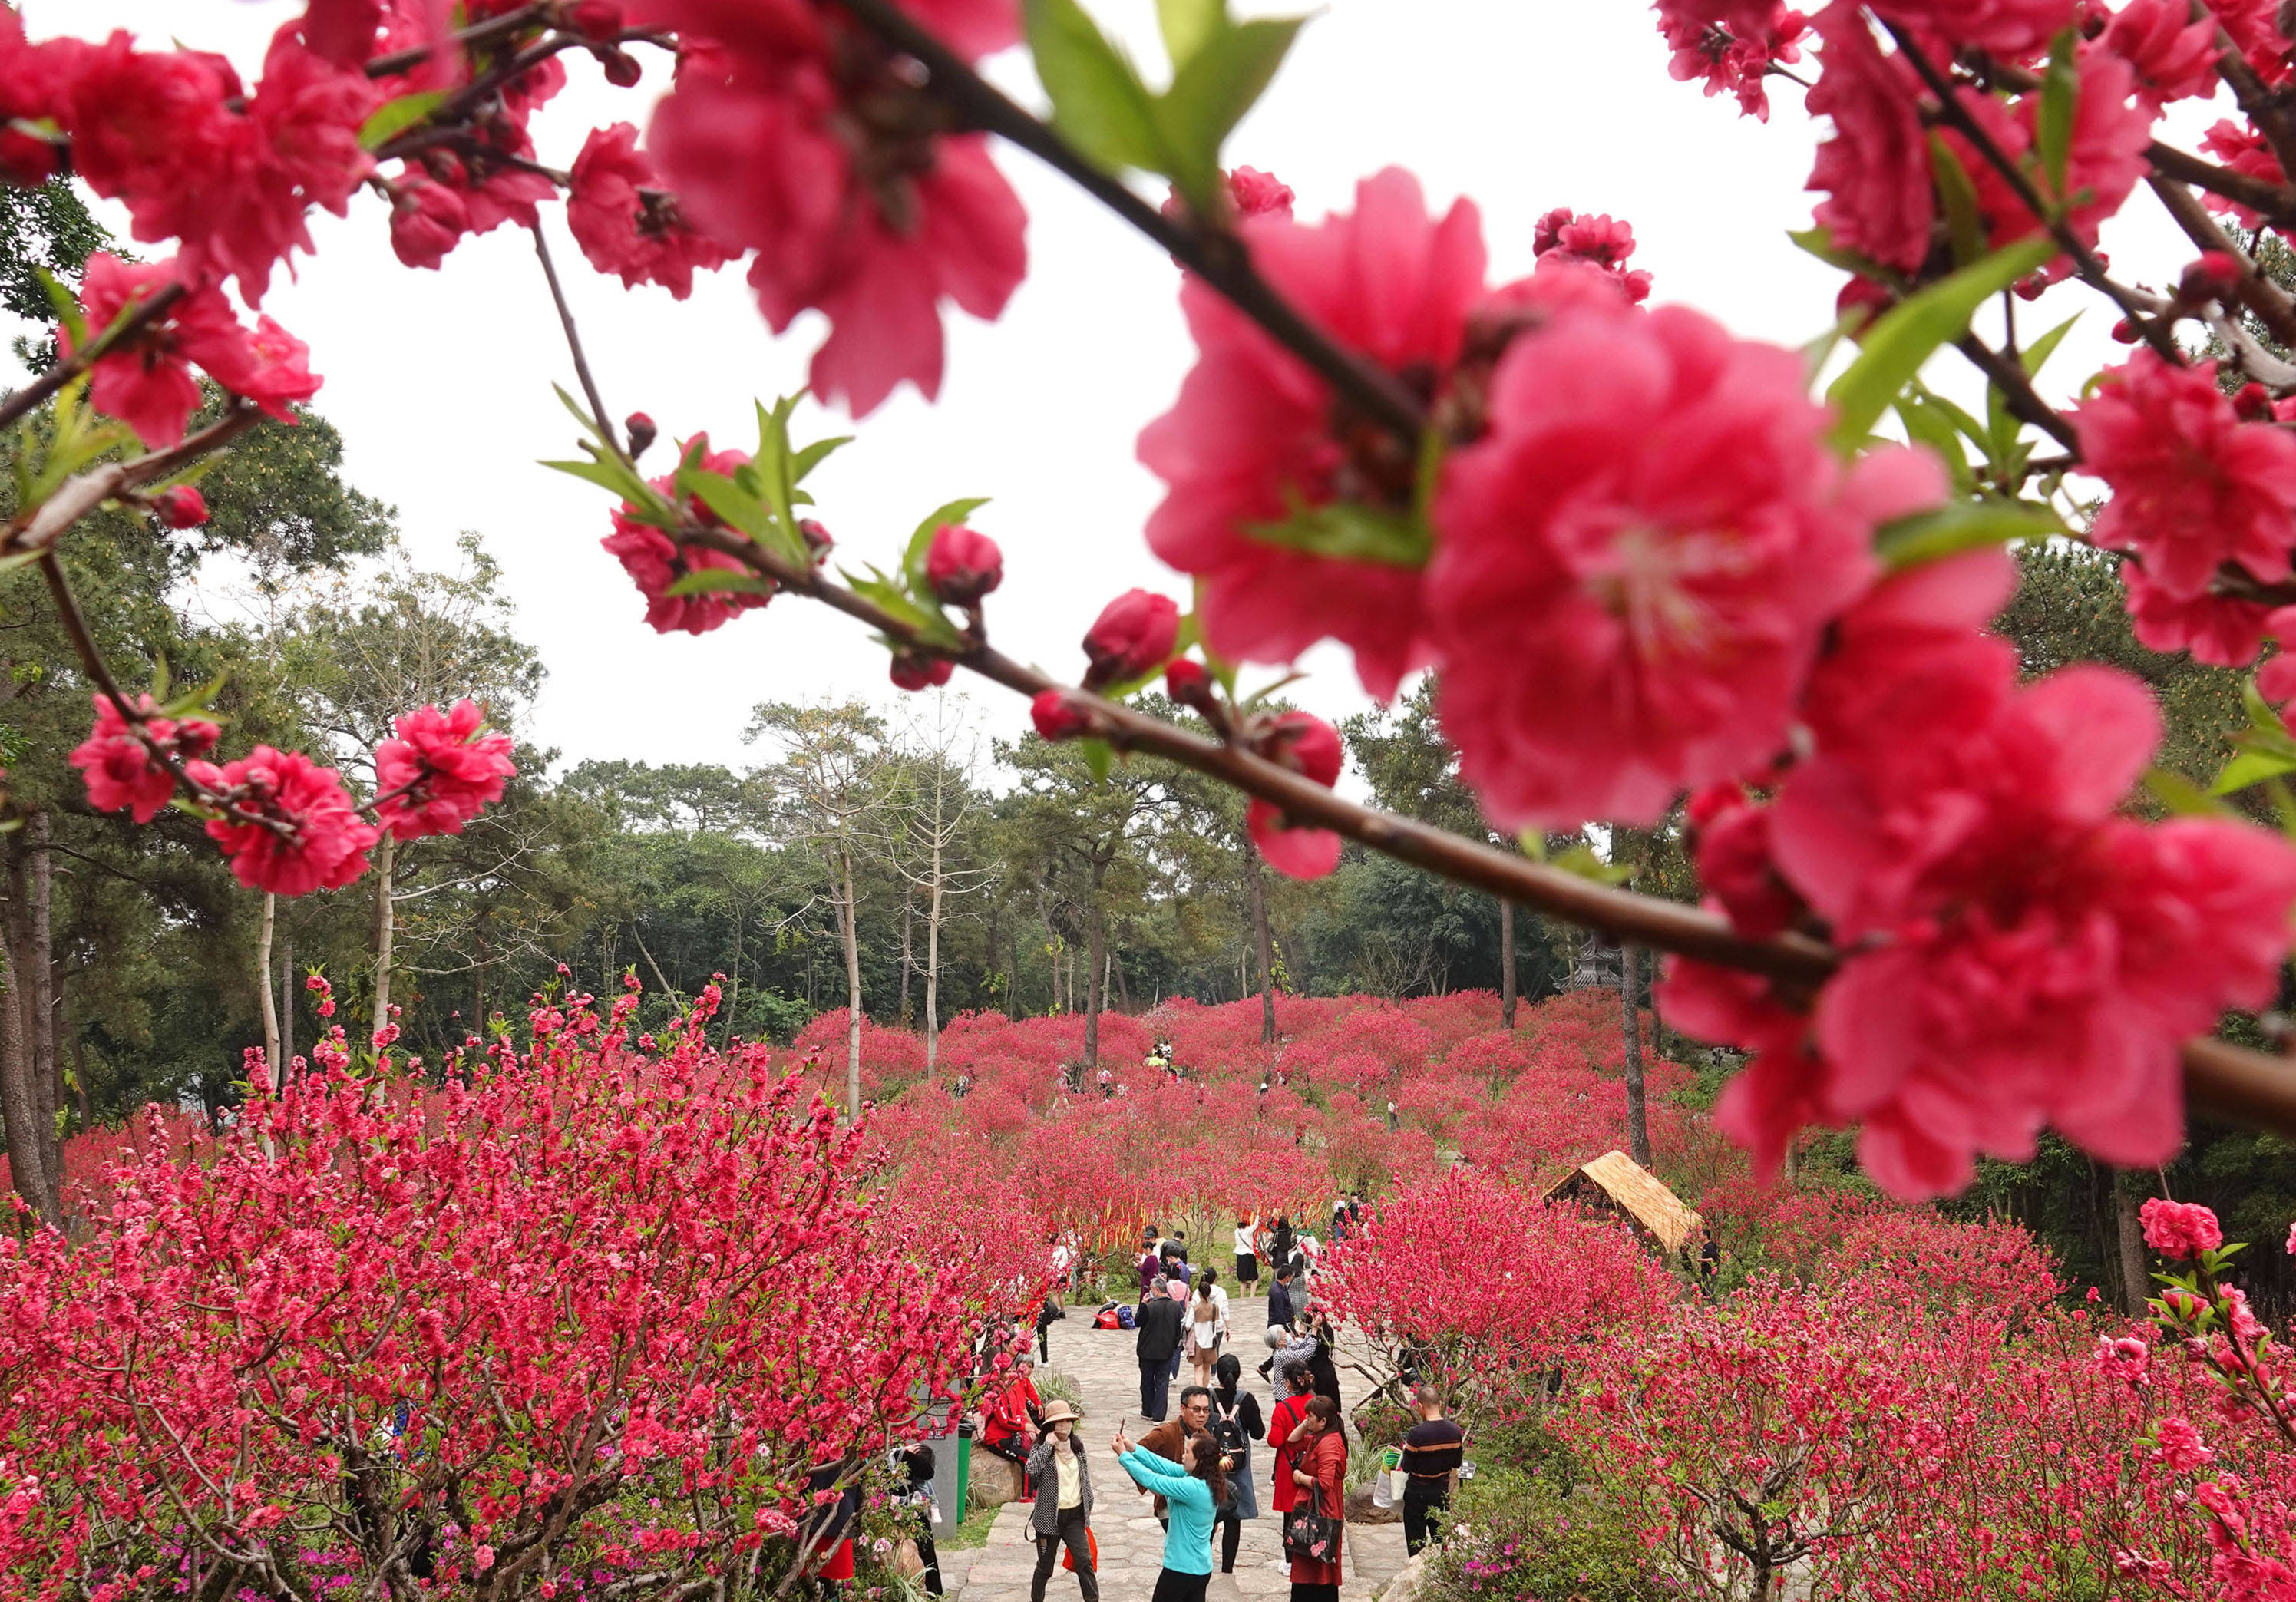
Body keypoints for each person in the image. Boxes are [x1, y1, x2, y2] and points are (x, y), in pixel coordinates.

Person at [1112, 1421, 1224, 1602]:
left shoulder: (1192, 1487)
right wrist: (1133, 1448)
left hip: (1181, 1570)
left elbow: (1153, 1480)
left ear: (1199, 1460)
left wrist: (1123, 1456)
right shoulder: (1204, 1478)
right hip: (1201, 1569)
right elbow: (1164, 1465)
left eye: (1188, 1452)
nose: (1183, 1455)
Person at [1026, 1400, 1097, 1602]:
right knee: (1045, 1568)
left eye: (1068, 1421)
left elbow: (1084, 1477)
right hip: (1048, 1519)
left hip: (1074, 1516)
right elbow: (1031, 1470)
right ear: (1050, 1426)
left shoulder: (1077, 1446)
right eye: (1060, 1422)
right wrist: (1048, 1444)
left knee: (1085, 1562)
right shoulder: (1042, 1448)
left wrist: (1088, 1503)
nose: (1065, 1426)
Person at [1286, 1396, 1347, 1602]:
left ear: (1323, 1421)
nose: (1307, 1419)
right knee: (1308, 1561)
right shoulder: (1320, 1436)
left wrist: (1301, 1478)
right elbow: (1293, 1441)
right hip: (1315, 1506)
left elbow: (1325, 1483)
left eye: (1310, 1416)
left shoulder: (1329, 1443)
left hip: (1324, 1509)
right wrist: (1307, 1422)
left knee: (1320, 1563)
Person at [1209, 1353, 1264, 1574]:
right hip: (1238, 1465)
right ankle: (1227, 1568)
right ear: (1238, 1374)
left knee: (1208, 1514)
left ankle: (1201, 1560)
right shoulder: (1246, 1399)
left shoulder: (1208, 1396)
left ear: (1218, 1374)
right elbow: (1259, 1433)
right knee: (1234, 1516)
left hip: (1212, 1463)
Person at [1398, 1386, 1465, 1557]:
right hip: (1440, 1493)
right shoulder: (1455, 1432)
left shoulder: (1416, 1434)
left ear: (1420, 1406)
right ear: (1440, 1403)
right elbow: (1457, 1463)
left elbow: (1407, 1466)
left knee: (1416, 1545)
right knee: (1442, 1541)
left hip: (1417, 1494)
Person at [1135, 1277, 1186, 1422]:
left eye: (1151, 1290)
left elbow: (1137, 1322)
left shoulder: (1149, 1307)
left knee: (1147, 1381)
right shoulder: (1176, 1307)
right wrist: (1174, 1345)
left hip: (1147, 1351)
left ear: (1157, 1290)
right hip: (1166, 1351)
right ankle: (1159, 1415)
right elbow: (1180, 1328)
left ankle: (1148, 1410)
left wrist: (1142, 1304)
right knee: (1162, 1382)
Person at [899, 1442, 945, 1596]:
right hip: (904, 1512)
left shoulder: (908, 1460)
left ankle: (933, 1592)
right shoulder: (896, 1457)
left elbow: (926, 1474)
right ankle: (933, 1592)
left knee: (926, 1551)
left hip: (912, 1512)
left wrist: (909, 1454)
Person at [1186, 1273, 1225, 1391]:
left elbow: (1187, 1326)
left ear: (1199, 1294)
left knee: (1197, 1369)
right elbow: (1219, 1324)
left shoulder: (1195, 1309)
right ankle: (1205, 1389)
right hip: (1210, 1342)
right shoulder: (1215, 1308)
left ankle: (1199, 1391)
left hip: (1198, 1342)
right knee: (1207, 1369)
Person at [1270, 1323, 1318, 1402]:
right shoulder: (1282, 1354)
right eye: (1285, 1335)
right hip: (1285, 1396)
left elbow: (1302, 1345)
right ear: (1279, 1342)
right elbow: (1308, 1353)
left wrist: (1312, 1329)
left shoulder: (1285, 1348)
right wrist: (1315, 1331)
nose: (1288, 1335)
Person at [1267, 1263, 1298, 1330]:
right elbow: (1279, 1313)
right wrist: (1287, 1329)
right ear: (1287, 1277)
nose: (1292, 1278)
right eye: (1292, 1276)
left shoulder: (1282, 1287)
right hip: (1278, 1327)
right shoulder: (1277, 1291)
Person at [1234, 1215, 1259, 1291]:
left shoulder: (1237, 1231)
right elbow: (1256, 1225)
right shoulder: (1248, 1230)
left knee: (1243, 1280)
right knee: (1254, 1278)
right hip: (1248, 1255)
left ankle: (1242, 1298)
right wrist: (1257, 1215)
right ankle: (1252, 1297)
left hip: (1240, 1256)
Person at [1270, 1214, 1296, 1278]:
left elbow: (1269, 1225)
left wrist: (1272, 1216)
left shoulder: (1277, 1232)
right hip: (1285, 1257)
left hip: (1277, 1257)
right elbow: (1293, 1228)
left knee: (1277, 1277)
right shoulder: (1289, 1231)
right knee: (1284, 1277)